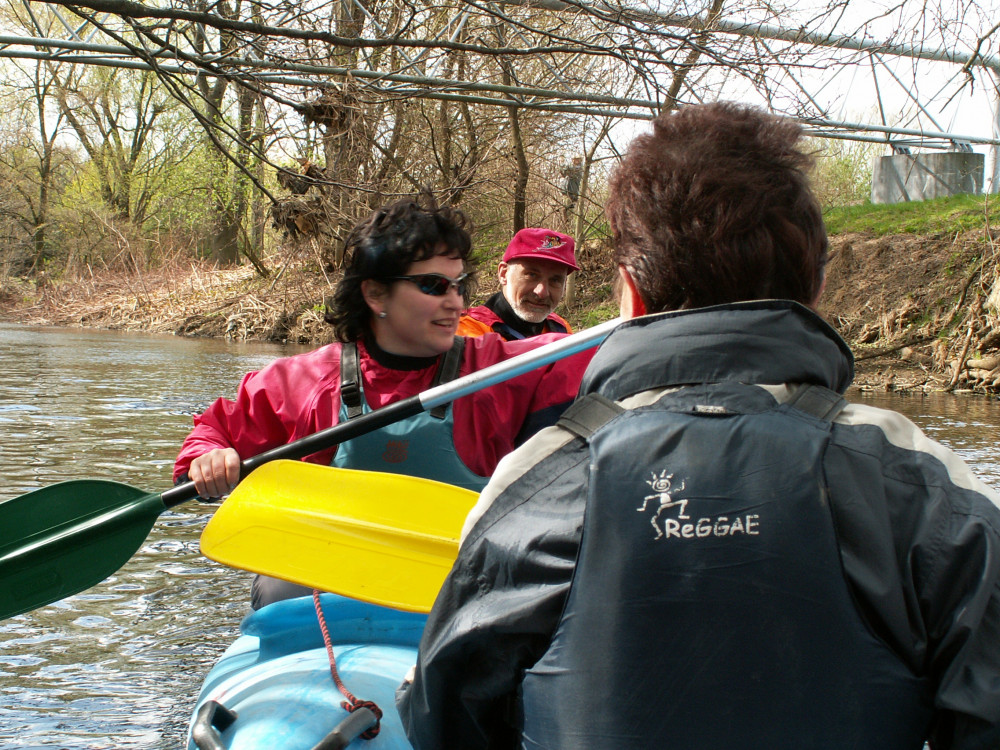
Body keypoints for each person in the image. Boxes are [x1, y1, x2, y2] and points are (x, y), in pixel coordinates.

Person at [397, 103, 1000, 748]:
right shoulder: (925, 479)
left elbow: (443, 720)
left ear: (629, 292)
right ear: (816, 287)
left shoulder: (535, 480)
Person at [173, 195, 593, 610]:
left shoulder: (500, 370)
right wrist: (208, 458)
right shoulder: (301, 380)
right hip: (327, 589)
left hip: (449, 593)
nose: (456, 303)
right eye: (433, 286)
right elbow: (215, 431)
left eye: (458, 285)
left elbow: (598, 357)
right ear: (375, 294)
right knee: (277, 589)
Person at [457, 227, 577, 340]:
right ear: (503, 274)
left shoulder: (561, 329)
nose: (542, 292)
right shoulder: (467, 331)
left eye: (555, 280)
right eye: (531, 275)